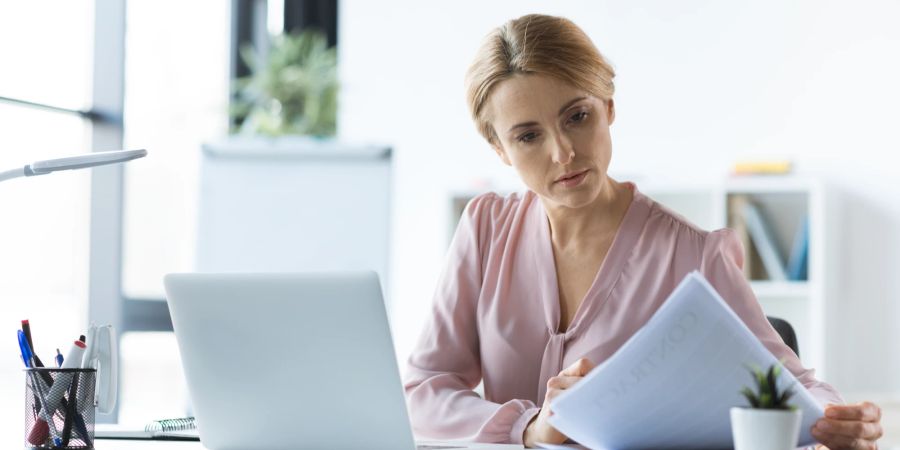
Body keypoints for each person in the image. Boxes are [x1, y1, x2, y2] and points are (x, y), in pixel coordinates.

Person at [402, 13, 884, 450]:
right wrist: (528, 427)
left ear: (608, 106)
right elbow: (423, 390)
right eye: (528, 136)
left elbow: (794, 386)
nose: (563, 152)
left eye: (578, 116)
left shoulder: (694, 254)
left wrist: (839, 422)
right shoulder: (485, 229)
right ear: (499, 149)